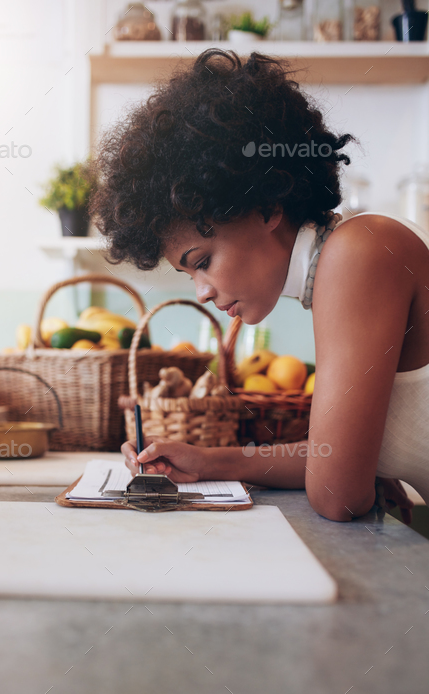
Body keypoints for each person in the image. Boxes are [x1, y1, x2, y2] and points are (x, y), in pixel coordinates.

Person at [91, 49, 429, 523]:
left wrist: (362, 481)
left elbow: (336, 493)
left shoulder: (360, 254)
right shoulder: (345, 256)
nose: (202, 292)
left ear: (268, 208)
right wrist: (208, 460)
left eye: (203, 262)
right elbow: (336, 460)